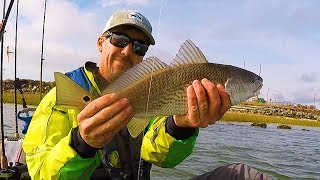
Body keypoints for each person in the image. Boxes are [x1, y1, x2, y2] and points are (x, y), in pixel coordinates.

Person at [22, 10, 268, 180]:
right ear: (100, 43)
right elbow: (41, 173)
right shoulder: (60, 99)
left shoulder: (152, 90)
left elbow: (158, 154)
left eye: (139, 47)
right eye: (119, 39)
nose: (127, 50)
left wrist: (181, 125)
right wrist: (81, 143)